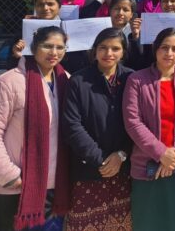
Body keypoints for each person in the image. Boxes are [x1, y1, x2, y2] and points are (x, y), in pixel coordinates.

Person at [123, 28, 175, 231]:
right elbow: (133, 122)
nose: (169, 53)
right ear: (155, 49)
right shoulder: (137, 80)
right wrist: (161, 154)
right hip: (148, 165)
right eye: (164, 47)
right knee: (149, 223)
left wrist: (173, 156)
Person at [0, 26, 70, 230]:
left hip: (54, 185)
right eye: (47, 46)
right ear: (33, 48)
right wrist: (9, 176)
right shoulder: (9, 82)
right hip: (15, 185)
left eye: (60, 47)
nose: (54, 52)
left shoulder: (66, 80)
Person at [62, 28, 134, 231]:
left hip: (122, 169)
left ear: (123, 52)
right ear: (94, 50)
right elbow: (72, 125)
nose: (108, 53)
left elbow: (137, 122)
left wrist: (121, 155)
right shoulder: (78, 81)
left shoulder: (132, 79)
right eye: (103, 47)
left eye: (115, 48)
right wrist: (100, 159)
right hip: (88, 169)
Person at [8, 0, 61, 70]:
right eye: (40, 4)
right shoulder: (24, 30)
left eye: (50, 4)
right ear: (35, 7)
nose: (45, 8)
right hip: (30, 72)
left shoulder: (66, 28)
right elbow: (10, 64)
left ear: (59, 6)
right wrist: (17, 54)